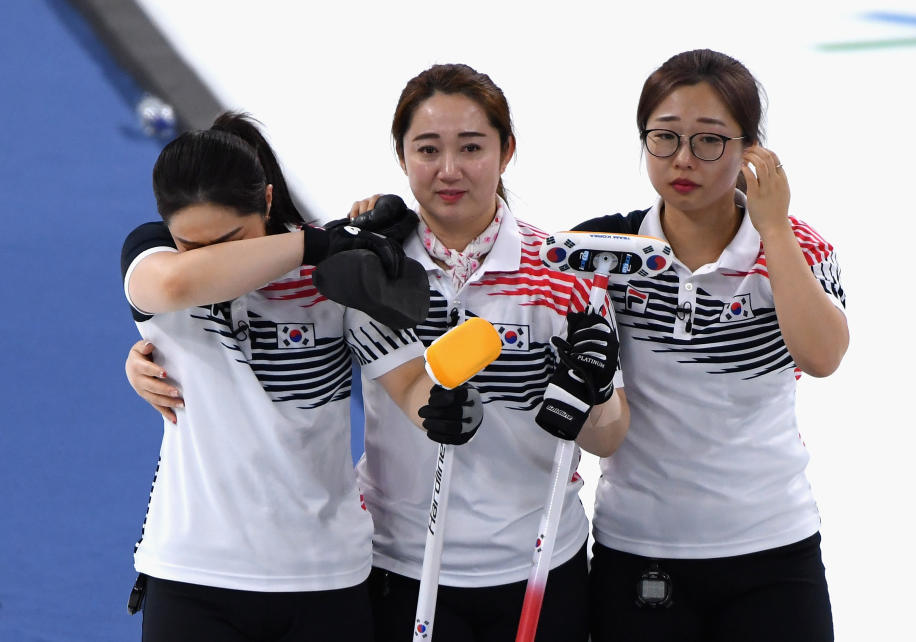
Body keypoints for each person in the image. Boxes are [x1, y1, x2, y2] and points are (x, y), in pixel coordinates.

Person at [127, 65, 629, 642]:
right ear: (401, 155)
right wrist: (144, 358)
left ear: (506, 150)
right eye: (428, 148)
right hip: (382, 566)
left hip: (514, 563)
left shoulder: (553, 273)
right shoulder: (347, 265)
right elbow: (176, 288)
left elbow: (418, 385)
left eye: (471, 147)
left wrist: (563, 397)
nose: (449, 169)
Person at [121, 111, 483, 642]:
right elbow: (174, 286)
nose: (214, 260)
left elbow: (407, 382)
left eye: (231, 238)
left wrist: (444, 409)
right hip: (192, 574)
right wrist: (316, 243)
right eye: (194, 246)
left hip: (324, 577)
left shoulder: (332, 279)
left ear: (266, 202)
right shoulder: (155, 259)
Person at [575, 49, 848, 641]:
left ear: (752, 150)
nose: (683, 160)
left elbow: (822, 357)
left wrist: (773, 227)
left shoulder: (798, 245)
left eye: (709, 141)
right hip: (641, 547)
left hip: (774, 549)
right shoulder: (604, 252)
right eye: (664, 138)